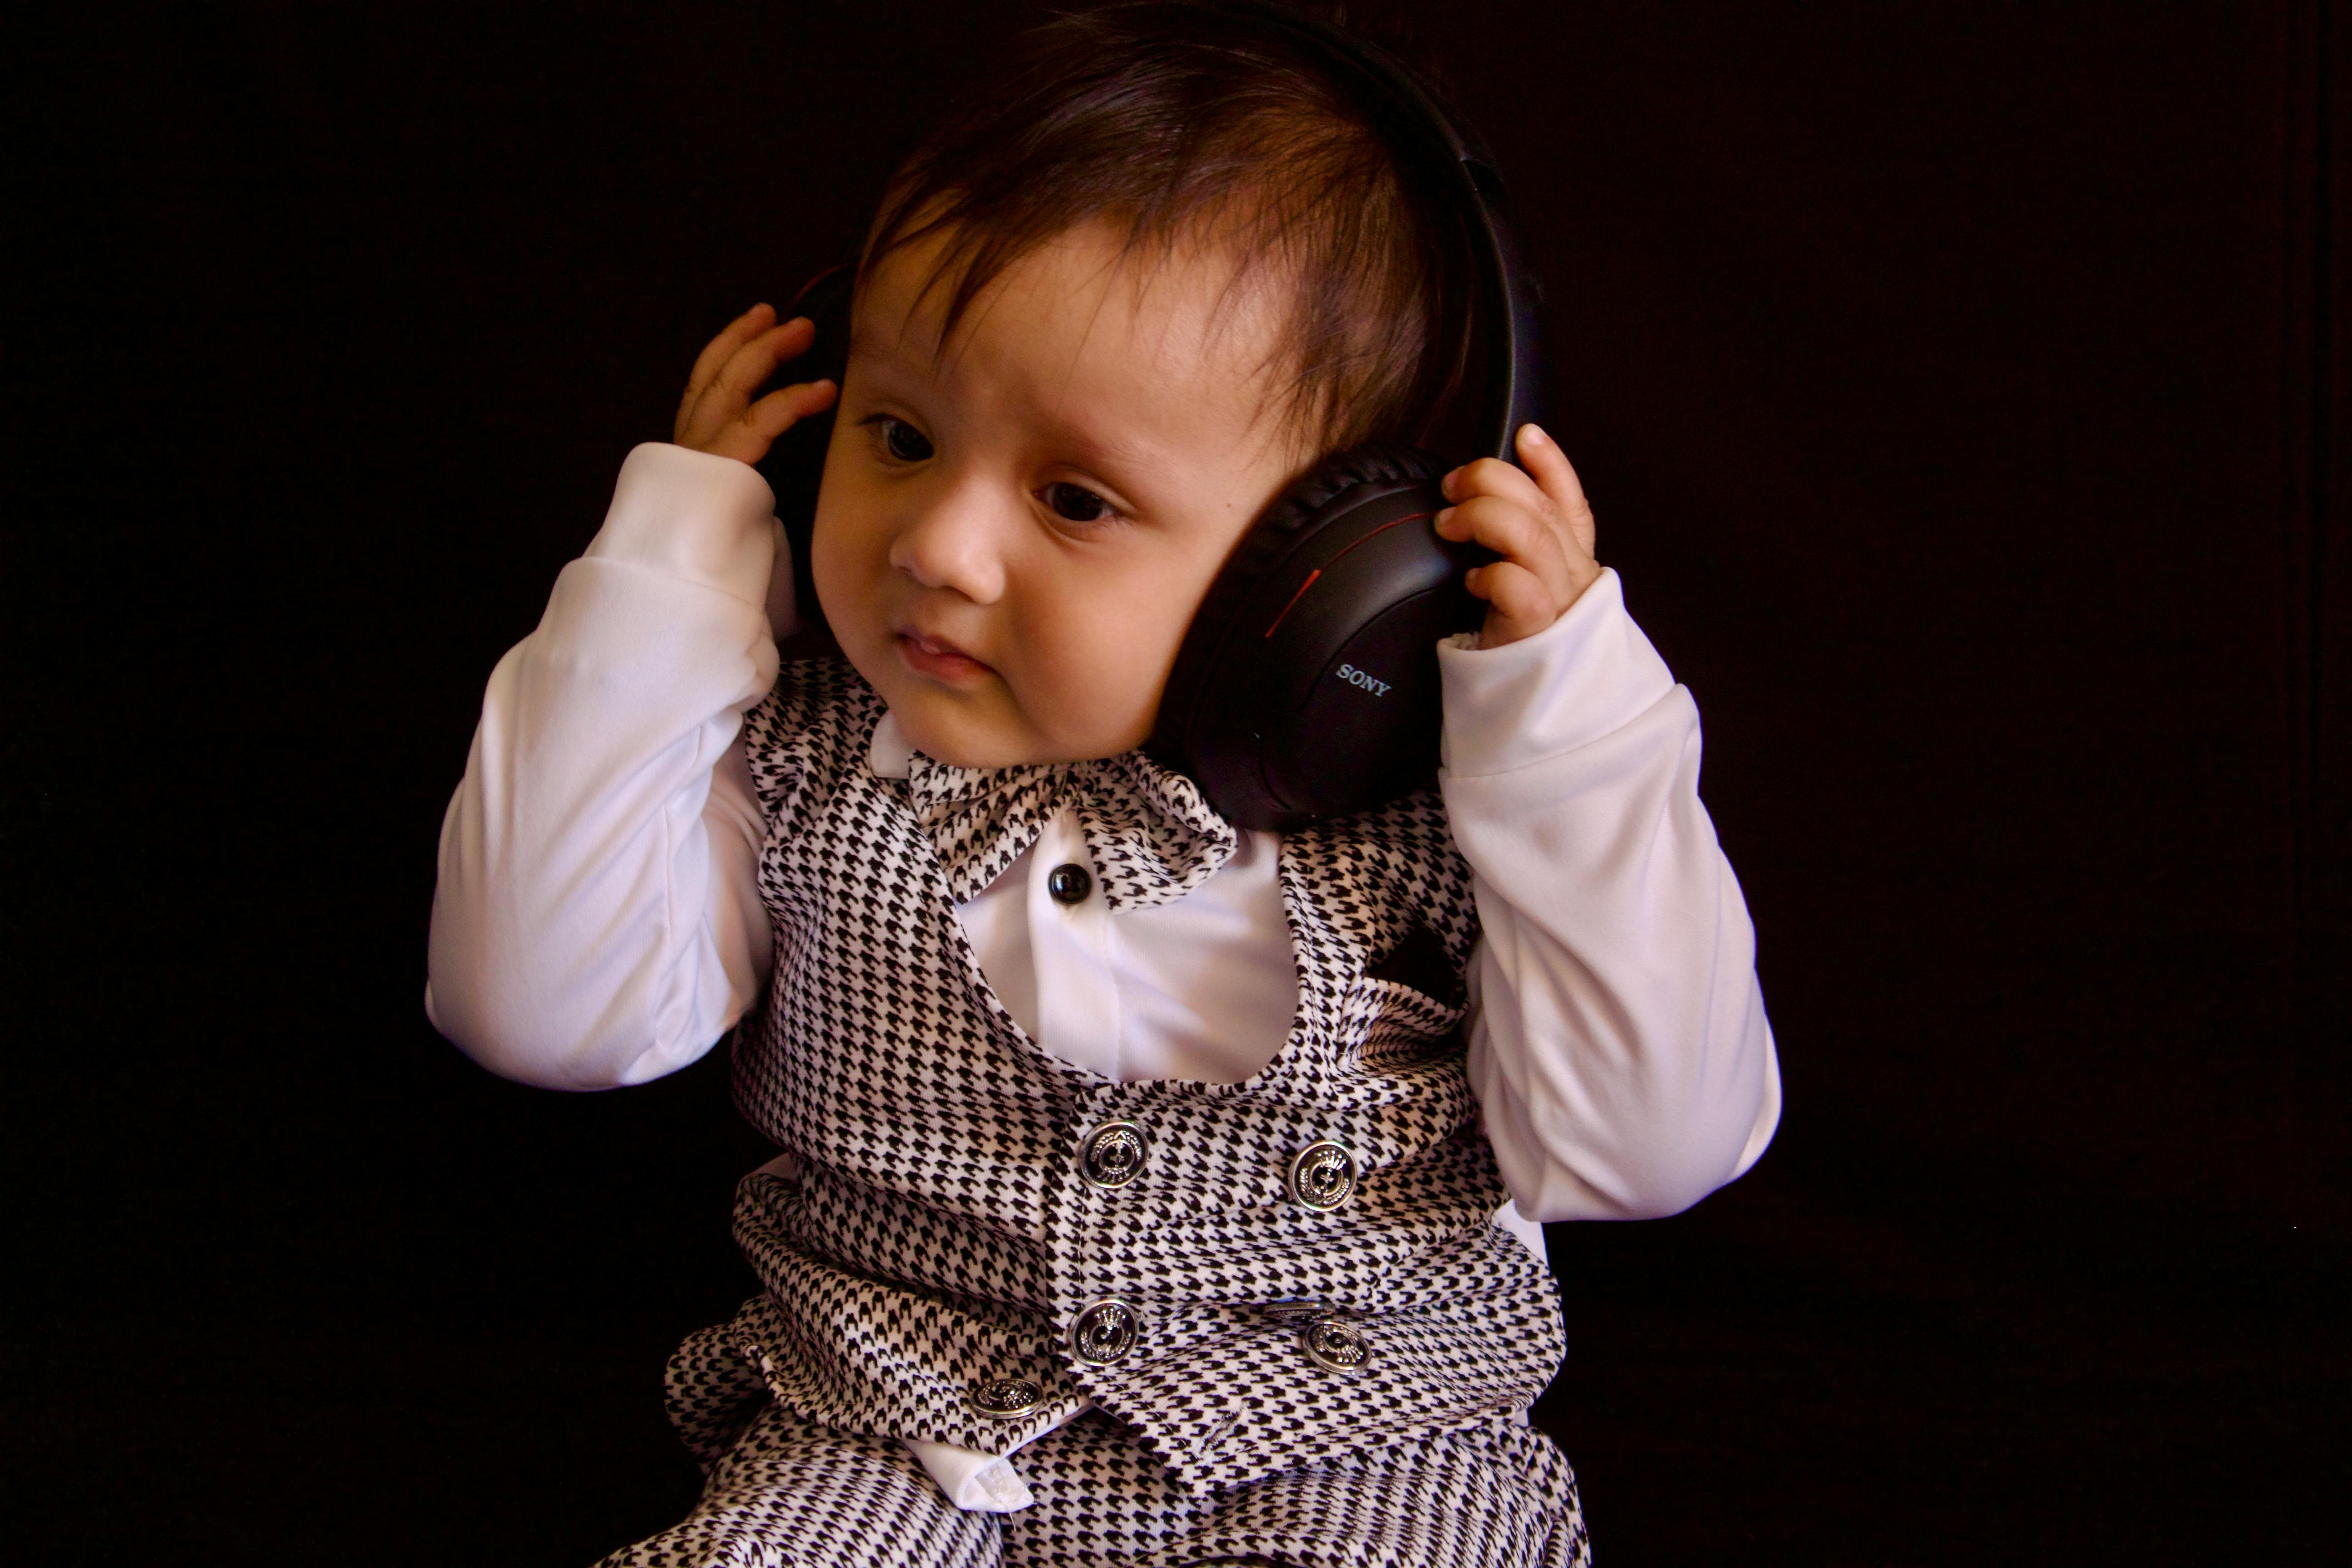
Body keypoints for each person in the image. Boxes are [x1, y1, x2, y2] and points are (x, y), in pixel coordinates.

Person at [427, 5, 1779, 1563]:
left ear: (1337, 565)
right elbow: (538, 1011)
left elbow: (1648, 1147)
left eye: (1075, 499)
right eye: (898, 434)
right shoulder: (791, 759)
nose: (937, 547)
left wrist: (1566, 729)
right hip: (894, 1431)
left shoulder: (1452, 818)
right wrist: (674, 567)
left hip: (1353, 1439)